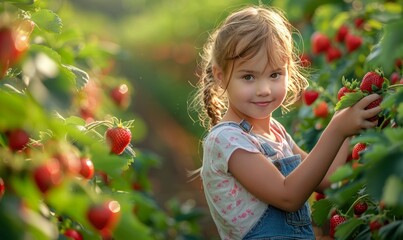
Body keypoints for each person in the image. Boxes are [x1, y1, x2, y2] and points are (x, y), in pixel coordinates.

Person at [190, 4, 382, 240]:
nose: (264, 89)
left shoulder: (277, 133)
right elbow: (288, 196)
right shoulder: (227, 140)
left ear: (289, 72)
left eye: (274, 74)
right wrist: (336, 129)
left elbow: (327, 179)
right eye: (248, 76)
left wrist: (346, 128)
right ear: (220, 76)